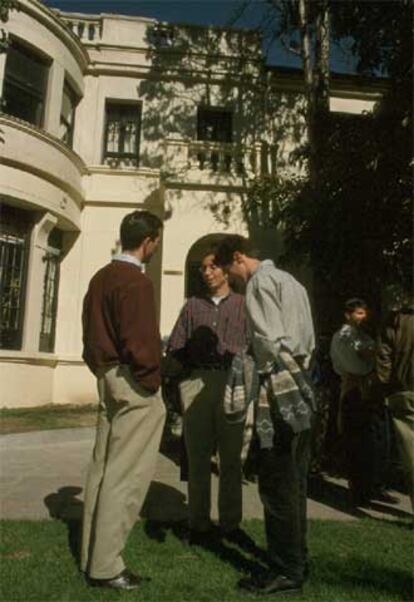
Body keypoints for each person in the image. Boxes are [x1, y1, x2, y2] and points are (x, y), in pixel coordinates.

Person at [215, 235, 315, 596]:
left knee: (276, 484)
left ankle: (285, 569)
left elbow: (270, 343)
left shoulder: (260, 283)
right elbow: (307, 339)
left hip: (278, 390)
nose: (231, 277)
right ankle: (298, 559)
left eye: (229, 269)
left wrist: (250, 365)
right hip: (303, 385)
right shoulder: (292, 281)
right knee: (296, 482)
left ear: (239, 258)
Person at [81, 210, 166, 590]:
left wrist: (103, 371)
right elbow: (142, 344)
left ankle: (90, 555)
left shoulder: (100, 278)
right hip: (133, 382)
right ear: (148, 240)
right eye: (156, 241)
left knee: (102, 470)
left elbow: (89, 337)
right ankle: (106, 567)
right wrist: (151, 381)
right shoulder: (137, 283)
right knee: (125, 476)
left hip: (106, 377)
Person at [166, 249, 246, 541]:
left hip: (231, 380)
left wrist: (225, 348)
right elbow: (174, 346)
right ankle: (198, 522)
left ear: (225, 270)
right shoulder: (191, 306)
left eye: (212, 267)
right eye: (202, 268)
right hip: (196, 380)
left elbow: (251, 349)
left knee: (231, 459)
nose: (207, 272)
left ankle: (230, 524)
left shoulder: (244, 305)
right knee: (197, 456)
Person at [330, 298, 393, 507]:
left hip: (367, 389)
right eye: (358, 313)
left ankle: (373, 486)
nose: (363, 317)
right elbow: (357, 365)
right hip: (353, 390)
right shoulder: (343, 336)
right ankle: (359, 490)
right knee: (357, 441)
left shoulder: (362, 335)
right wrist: (370, 358)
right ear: (348, 315)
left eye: (364, 313)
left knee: (374, 441)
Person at [376, 294, 414, 508]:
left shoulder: (396, 320)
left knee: (411, 454)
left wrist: (388, 383)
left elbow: (384, 354)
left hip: (403, 390)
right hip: (404, 388)